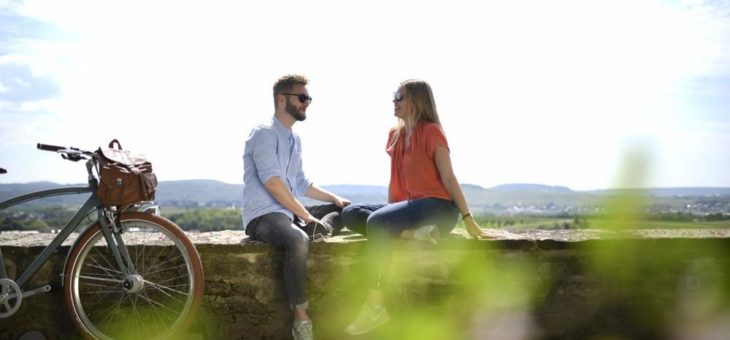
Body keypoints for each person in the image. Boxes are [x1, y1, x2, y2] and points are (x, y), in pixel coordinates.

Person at [342, 79, 492, 335]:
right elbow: (395, 178)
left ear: (416, 101)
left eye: (399, 97)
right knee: (349, 214)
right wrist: (392, 214)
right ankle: (412, 234)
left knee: (377, 222)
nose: (394, 101)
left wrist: (468, 218)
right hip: (411, 209)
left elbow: (448, 178)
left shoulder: (432, 131)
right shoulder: (395, 134)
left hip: (439, 208)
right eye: (394, 96)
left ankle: (375, 306)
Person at [242, 74, 351, 340]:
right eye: (302, 98)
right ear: (282, 99)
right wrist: (305, 216)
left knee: (345, 213)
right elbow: (274, 184)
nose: (307, 103)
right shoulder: (264, 134)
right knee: (298, 240)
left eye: (308, 98)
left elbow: (302, 183)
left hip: (289, 212)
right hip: (264, 216)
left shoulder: (294, 139)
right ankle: (301, 319)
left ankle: (319, 227)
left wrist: (335, 199)